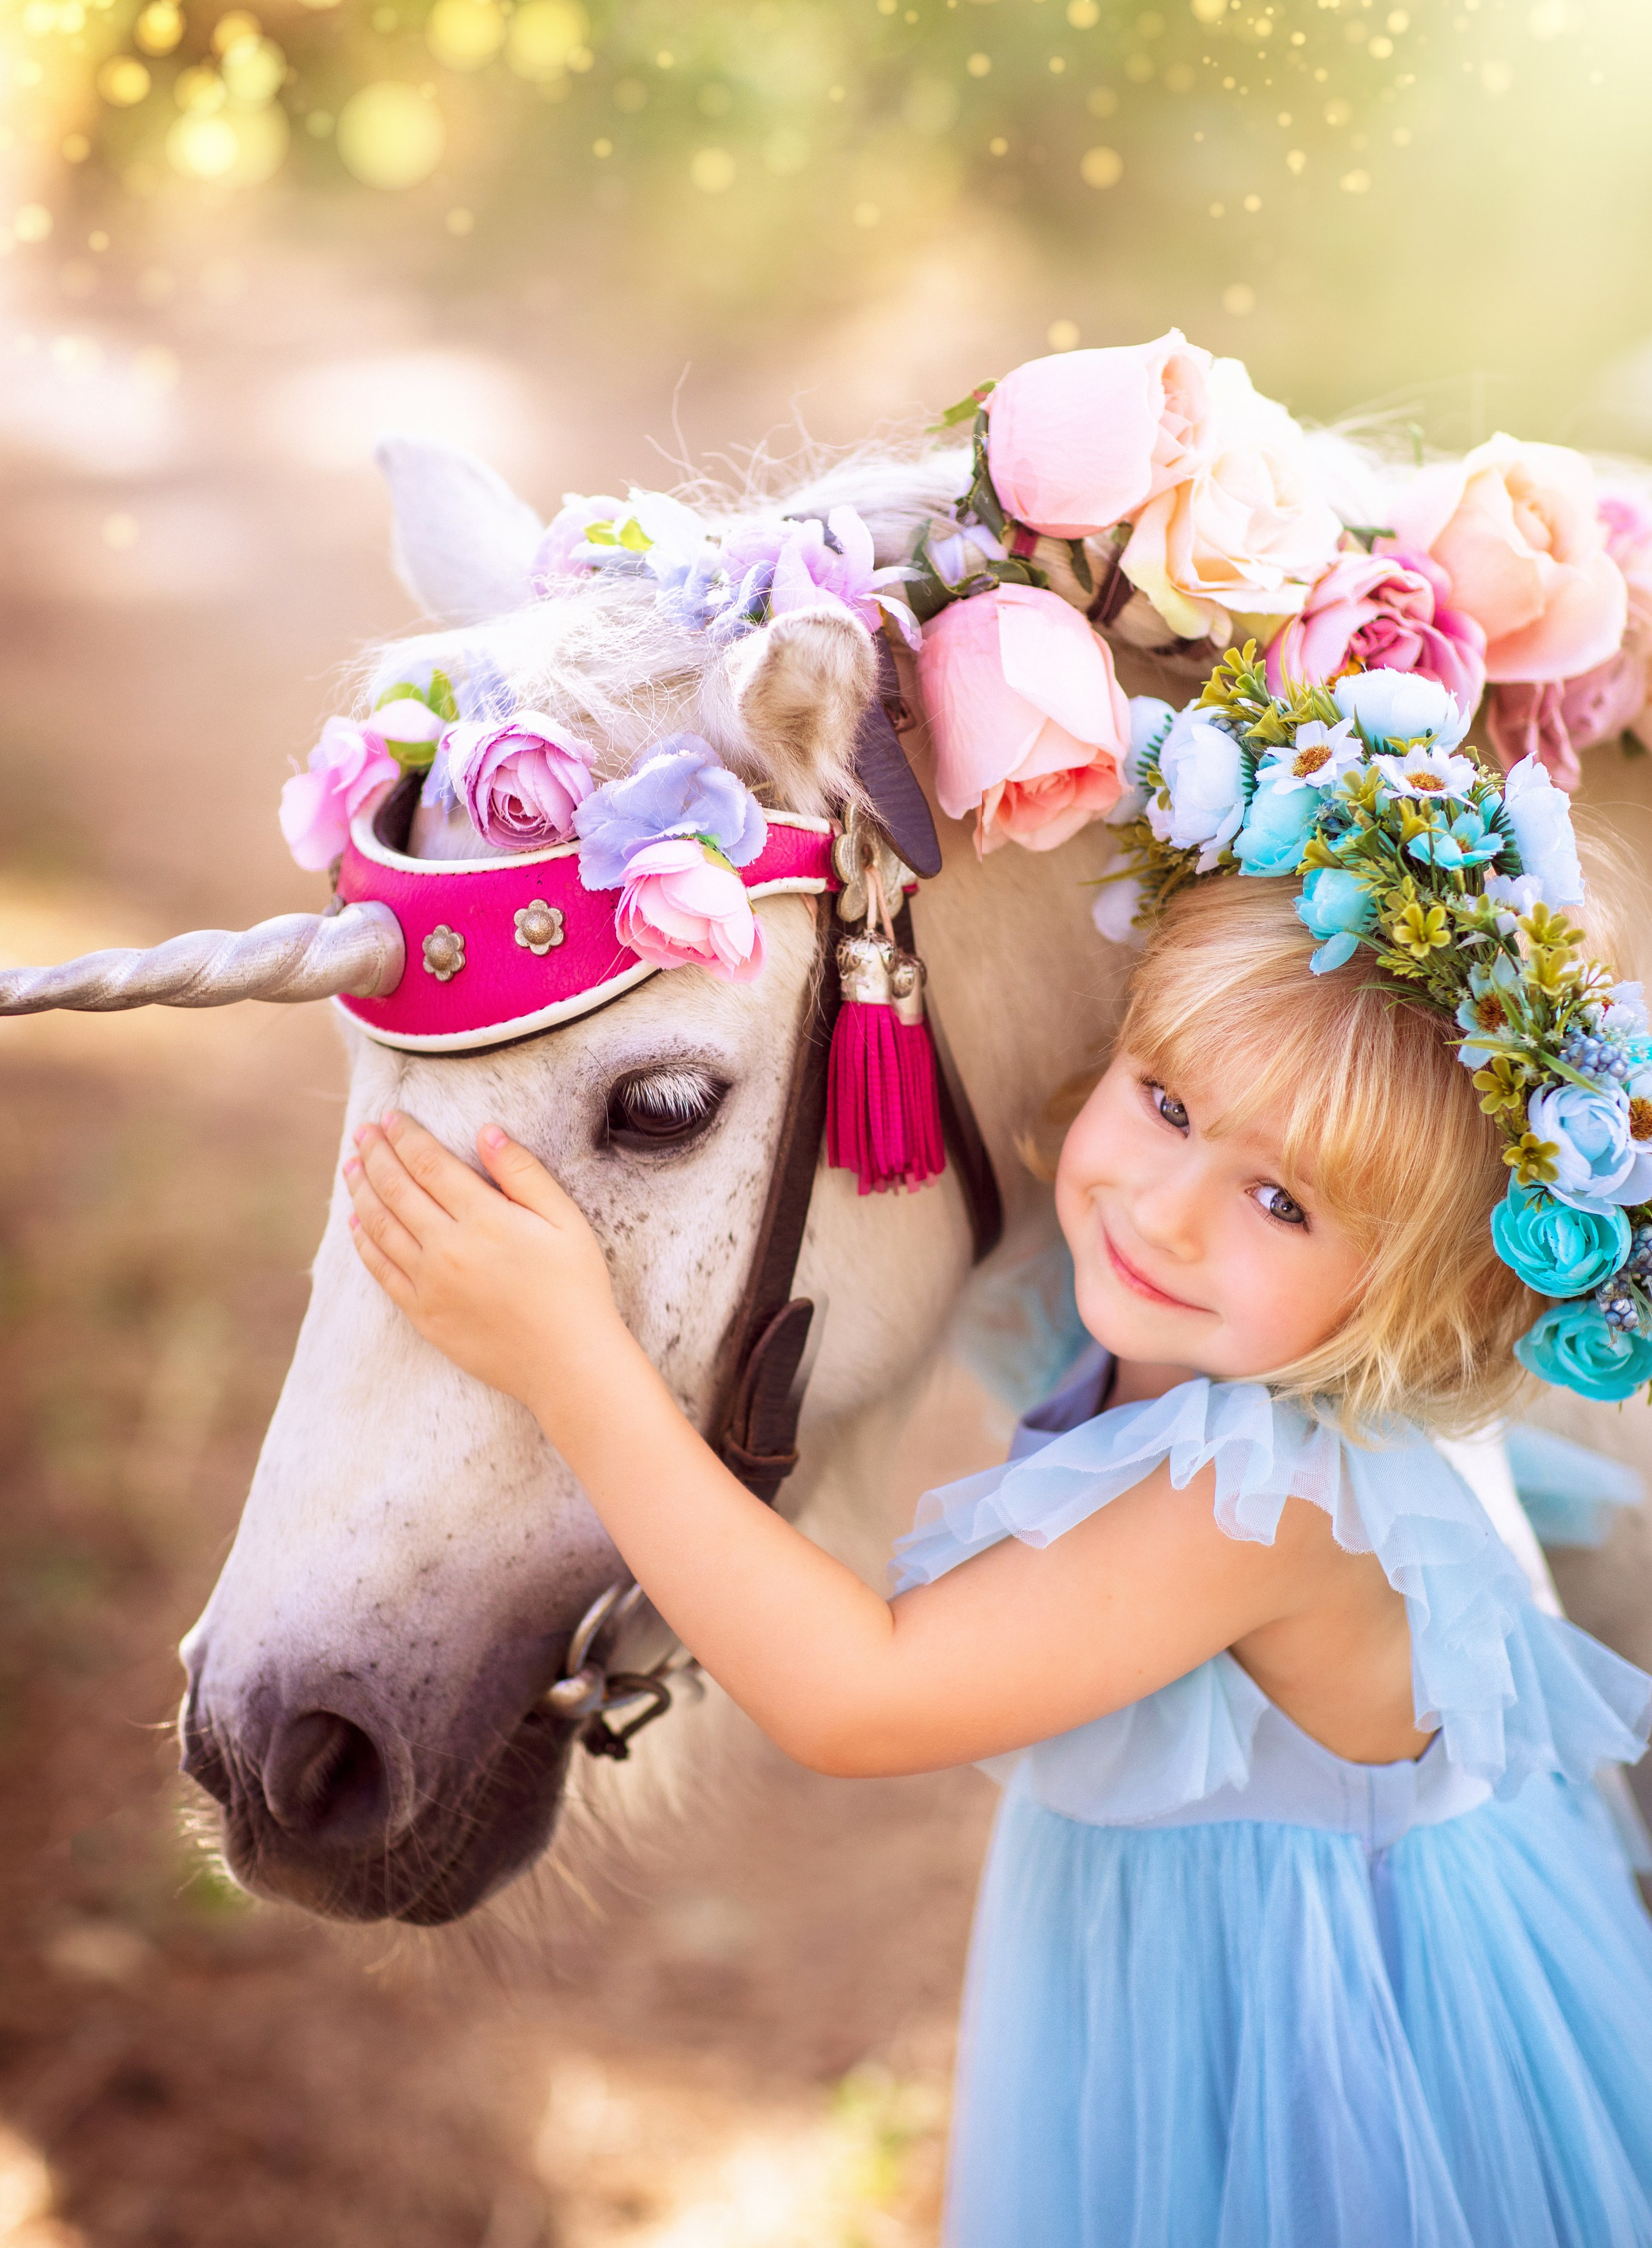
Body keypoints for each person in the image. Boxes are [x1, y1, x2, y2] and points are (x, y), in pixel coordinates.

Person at [339, 660, 1652, 2247]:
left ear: (1418, 1289)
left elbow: (858, 1691)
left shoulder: (1253, 1499)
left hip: (1320, 2076)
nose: (1164, 1206)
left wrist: (571, 1358)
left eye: (1282, 1200)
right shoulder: (1130, 1340)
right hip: (1172, 1989)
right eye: (1164, 1099)